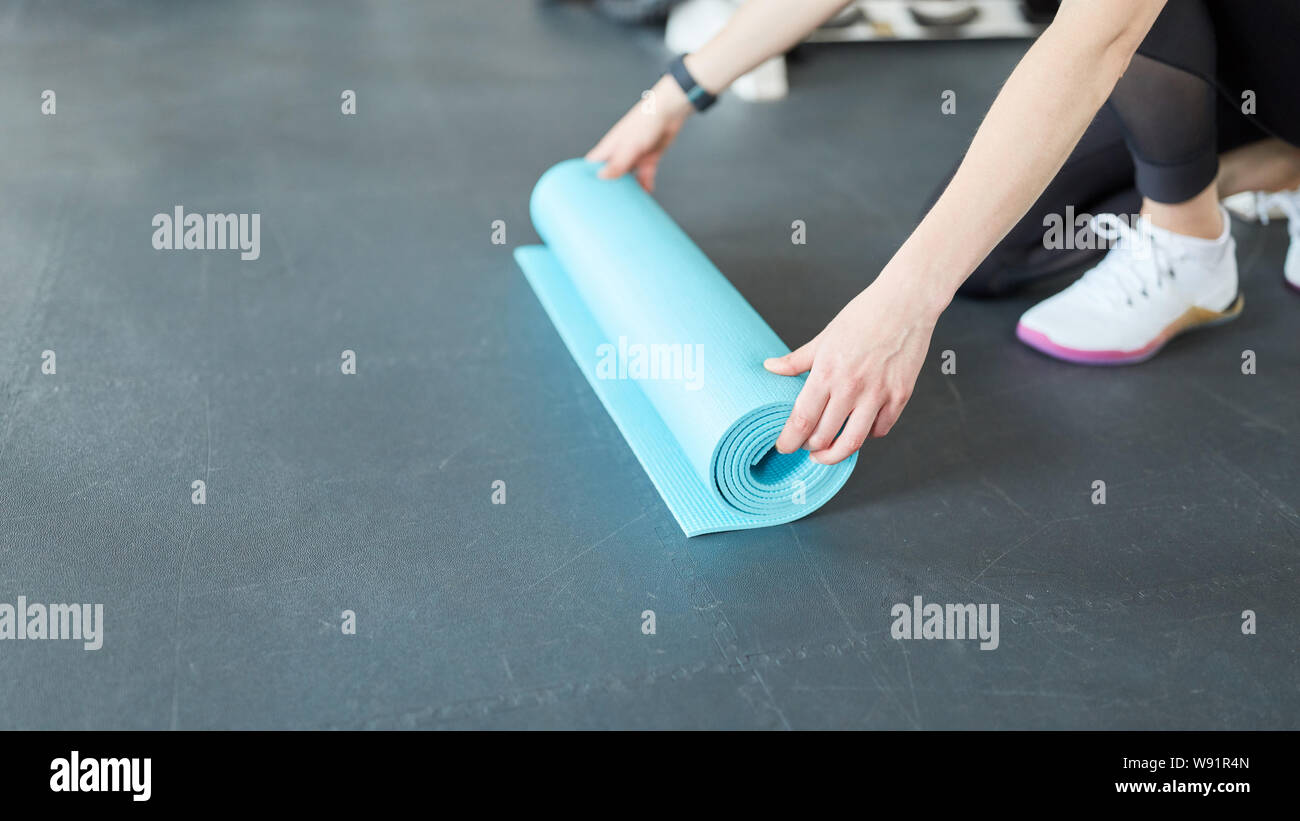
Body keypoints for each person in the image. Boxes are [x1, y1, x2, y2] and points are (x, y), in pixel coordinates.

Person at [585, 0, 1300, 466]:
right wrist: (676, 93)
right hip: (1218, 54)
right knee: (996, 252)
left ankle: (1187, 236)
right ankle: (1270, 170)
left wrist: (903, 303)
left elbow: (1103, 33)